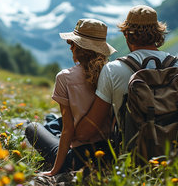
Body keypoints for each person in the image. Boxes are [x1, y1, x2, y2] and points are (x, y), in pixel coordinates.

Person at [74, 5, 178, 146]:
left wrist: (68, 128)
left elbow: (87, 131)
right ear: (159, 33)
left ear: (126, 34)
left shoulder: (112, 70)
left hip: (134, 160)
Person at [25, 18, 117, 176]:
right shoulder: (112, 74)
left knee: (32, 128)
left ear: (78, 47)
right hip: (109, 155)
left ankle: (50, 125)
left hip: (78, 159)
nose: (70, 48)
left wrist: (55, 170)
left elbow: (68, 131)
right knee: (57, 123)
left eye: (71, 44)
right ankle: (51, 123)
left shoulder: (65, 78)